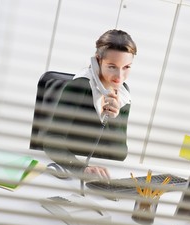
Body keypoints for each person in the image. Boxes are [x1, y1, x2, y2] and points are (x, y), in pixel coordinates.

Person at [43, 29, 137, 180]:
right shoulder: (80, 86)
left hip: (100, 175)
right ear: (98, 60)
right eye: (112, 66)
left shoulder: (123, 94)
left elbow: (119, 155)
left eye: (126, 67)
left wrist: (114, 118)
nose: (120, 76)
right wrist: (82, 169)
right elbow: (51, 140)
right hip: (69, 171)